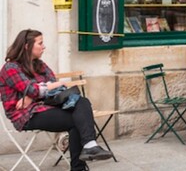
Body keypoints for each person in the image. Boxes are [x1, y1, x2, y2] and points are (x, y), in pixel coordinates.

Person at [0, 30, 112, 171]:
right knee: (77, 120)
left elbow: (51, 87)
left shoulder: (39, 64)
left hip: (46, 106)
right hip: (26, 115)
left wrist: (32, 95)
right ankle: (81, 164)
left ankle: (89, 146)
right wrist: (37, 91)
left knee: (83, 102)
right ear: (27, 46)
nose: (44, 47)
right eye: (40, 43)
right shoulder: (11, 68)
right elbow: (39, 89)